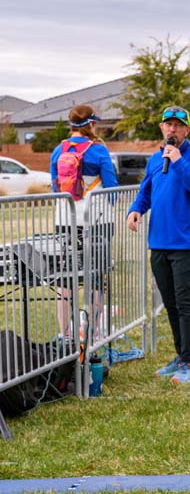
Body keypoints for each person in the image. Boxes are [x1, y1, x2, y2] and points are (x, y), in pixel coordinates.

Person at [126, 106, 190, 384]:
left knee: (185, 301)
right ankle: (180, 355)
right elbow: (147, 191)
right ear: (161, 129)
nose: (172, 130)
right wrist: (136, 209)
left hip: (186, 242)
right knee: (171, 303)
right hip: (159, 241)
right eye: (168, 125)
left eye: (178, 125)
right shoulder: (155, 160)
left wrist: (178, 162)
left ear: (187, 129)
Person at [50, 104, 118, 340]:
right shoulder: (99, 151)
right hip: (96, 218)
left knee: (64, 276)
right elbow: (111, 186)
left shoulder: (58, 151)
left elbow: (54, 186)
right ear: (91, 124)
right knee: (96, 275)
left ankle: (66, 334)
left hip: (65, 218)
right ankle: (95, 333)